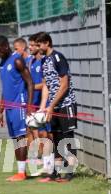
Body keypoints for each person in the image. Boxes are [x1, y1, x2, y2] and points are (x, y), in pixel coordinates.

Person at [36, 32, 77, 182]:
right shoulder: (44, 60)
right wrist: (43, 106)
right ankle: (56, 173)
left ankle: (70, 173)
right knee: (55, 137)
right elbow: (46, 85)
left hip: (66, 104)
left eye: (39, 44)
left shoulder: (57, 58)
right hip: (53, 107)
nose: (37, 47)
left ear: (47, 43)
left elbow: (64, 85)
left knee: (68, 137)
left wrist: (52, 105)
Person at [0, 36, 34, 182]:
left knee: (21, 138)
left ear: (5, 46)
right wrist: (0, 109)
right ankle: (21, 172)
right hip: (9, 107)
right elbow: (5, 88)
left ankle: (22, 173)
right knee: (15, 139)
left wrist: (29, 106)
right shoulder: (2, 64)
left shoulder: (17, 60)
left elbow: (30, 82)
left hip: (19, 104)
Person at [27, 33, 54, 176]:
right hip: (37, 103)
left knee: (48, 134)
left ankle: (51, 163)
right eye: (31, 45)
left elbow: (44, 84)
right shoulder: (30, 61)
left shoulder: (43, 62)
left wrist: (29, 87)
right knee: (37, 131)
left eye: (34, 45)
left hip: (46, 103)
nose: (31, 47)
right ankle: (45, 163)